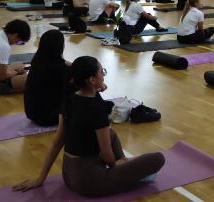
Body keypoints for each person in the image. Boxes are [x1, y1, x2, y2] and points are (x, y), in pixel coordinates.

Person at [13, 56, 165, 197]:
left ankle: (122, 165)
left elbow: (57, 142)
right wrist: (116, 165)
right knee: (158, 159)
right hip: (91, 183)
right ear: (92, 79)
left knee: (110, 134)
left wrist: (41, 178)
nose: (103, 76)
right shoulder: (98, 110)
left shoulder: (69, 99)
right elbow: (107, 156)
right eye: (101, 72)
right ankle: (122, 167)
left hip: (69, 176)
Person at [24, 30, 72, 126]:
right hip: (50, 117)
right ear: (60, 47)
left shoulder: (36, 62)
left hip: (31, 113)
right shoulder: (61, 69)